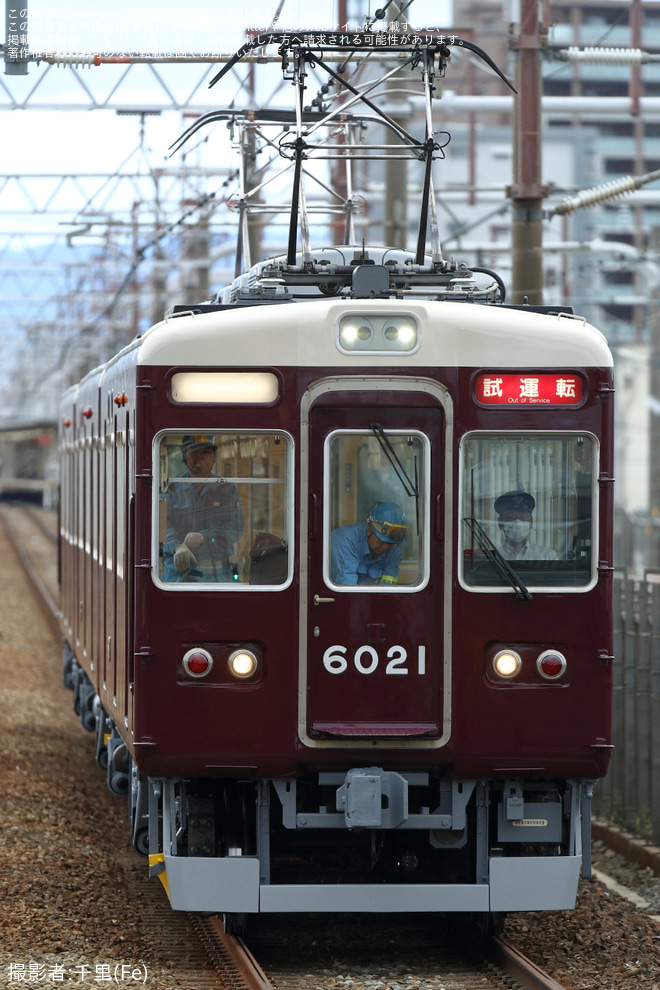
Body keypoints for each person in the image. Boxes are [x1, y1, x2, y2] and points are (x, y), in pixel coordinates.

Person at [162, 435, 244, 582]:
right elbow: (161, 528)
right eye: (193, 451)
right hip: (177, 573)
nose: (199, 456)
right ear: (184, 456)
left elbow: (235, 529)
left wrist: (204, 537)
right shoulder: (170, 488)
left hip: (215, 573)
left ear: (213, 458)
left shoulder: (227, 490)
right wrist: (178, 547)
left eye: (206, 452)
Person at [330, 502, 408, 586]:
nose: (385, 547)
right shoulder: (347, 541)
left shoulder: (394, 550)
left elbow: (388, 585)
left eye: (390, 544)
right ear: (369, 530)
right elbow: (348, 586)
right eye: (381, 541)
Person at [494, 490, 558, 561]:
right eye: (510, 518)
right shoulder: (493, 558)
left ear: (531, 522)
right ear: (500, 524)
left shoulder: (547, 556)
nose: (517, 523)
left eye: (522, 518)